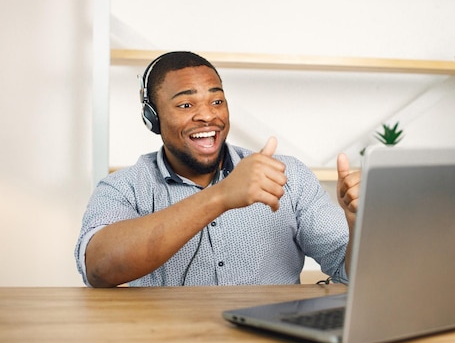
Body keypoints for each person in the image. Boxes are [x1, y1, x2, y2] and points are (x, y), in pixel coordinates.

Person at [75, 51, 360, 287]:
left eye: (217, 101)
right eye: (186, 104)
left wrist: (356, 223)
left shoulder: (290, 176)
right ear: (153, 118)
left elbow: (351, 274)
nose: (208, 115)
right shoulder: (123, 188)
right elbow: (98, 269)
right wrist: (221, 196)